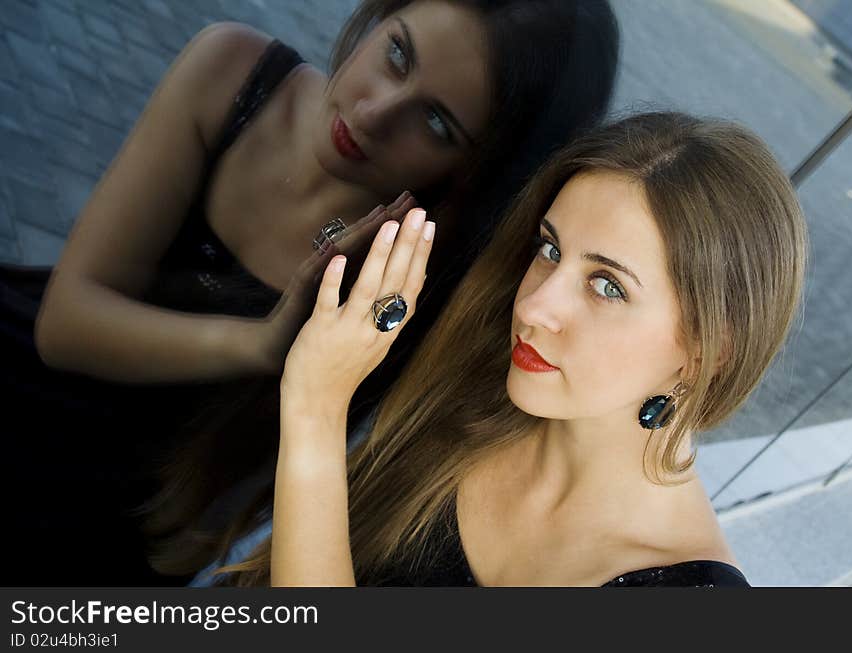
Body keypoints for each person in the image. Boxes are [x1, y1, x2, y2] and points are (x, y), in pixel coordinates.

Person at [3, 0, 620, 584]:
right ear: (381, 15)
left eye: (436, 123)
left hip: (132, 530)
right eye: (397, 56)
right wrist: (264, 345)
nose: (375, 113)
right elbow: (64, 326)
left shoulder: (422, 290)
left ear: (478, 175)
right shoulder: (233, 74)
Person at [196, 111, 807, 587]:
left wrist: (316, 409)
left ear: (707, 352)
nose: (535, 307)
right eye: (550, 249)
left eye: (607, 286)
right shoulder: (478, 403)